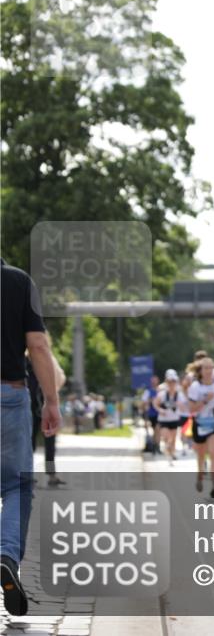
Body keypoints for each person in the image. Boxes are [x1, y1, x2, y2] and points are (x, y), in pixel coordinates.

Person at [1, 259, 61, 616]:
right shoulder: (20, 282)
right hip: (8, 395)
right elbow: (38, 344)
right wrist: (51, 401)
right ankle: (7, 555)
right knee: (16, 486)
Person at [187, 357, 214, 498]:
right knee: (201, 455)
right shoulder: (195, 387)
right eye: (206, 368)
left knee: (213, 452)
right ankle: (200, 475)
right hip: (200, 423)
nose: (209, 371)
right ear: (201, 370)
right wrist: (205, 400)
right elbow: (191, 408)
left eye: (211, 367)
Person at [28, 346, 66, 487]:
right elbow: (61, 378)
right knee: (46, 443)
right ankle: (50, 475)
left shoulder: (25, 360)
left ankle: (30, 475)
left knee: (30, 443)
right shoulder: (46, 359)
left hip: (32, 405)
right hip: (43, 405)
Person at [154, 369, 186, 464]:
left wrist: (180, 405)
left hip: (174, 419)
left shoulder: (179, 393)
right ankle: (168, 453)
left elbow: (184, 407)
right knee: (166, 437)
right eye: (170, 382)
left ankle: (171, 454)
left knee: (173, 439)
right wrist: (160, 410)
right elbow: (155, 403)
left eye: (173, 382)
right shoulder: (162, 393)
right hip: (164, 420)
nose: (171, 384)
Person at [141, 376, 161, 451]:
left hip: (159, 413)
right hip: (151, 414)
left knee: (158, 429)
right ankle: (154, 445)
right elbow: (143, 403)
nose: (154, 382)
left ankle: (157, 446)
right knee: (154, 430)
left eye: (155, 381)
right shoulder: (148, 392)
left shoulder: (160, 390)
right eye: (153, 381)